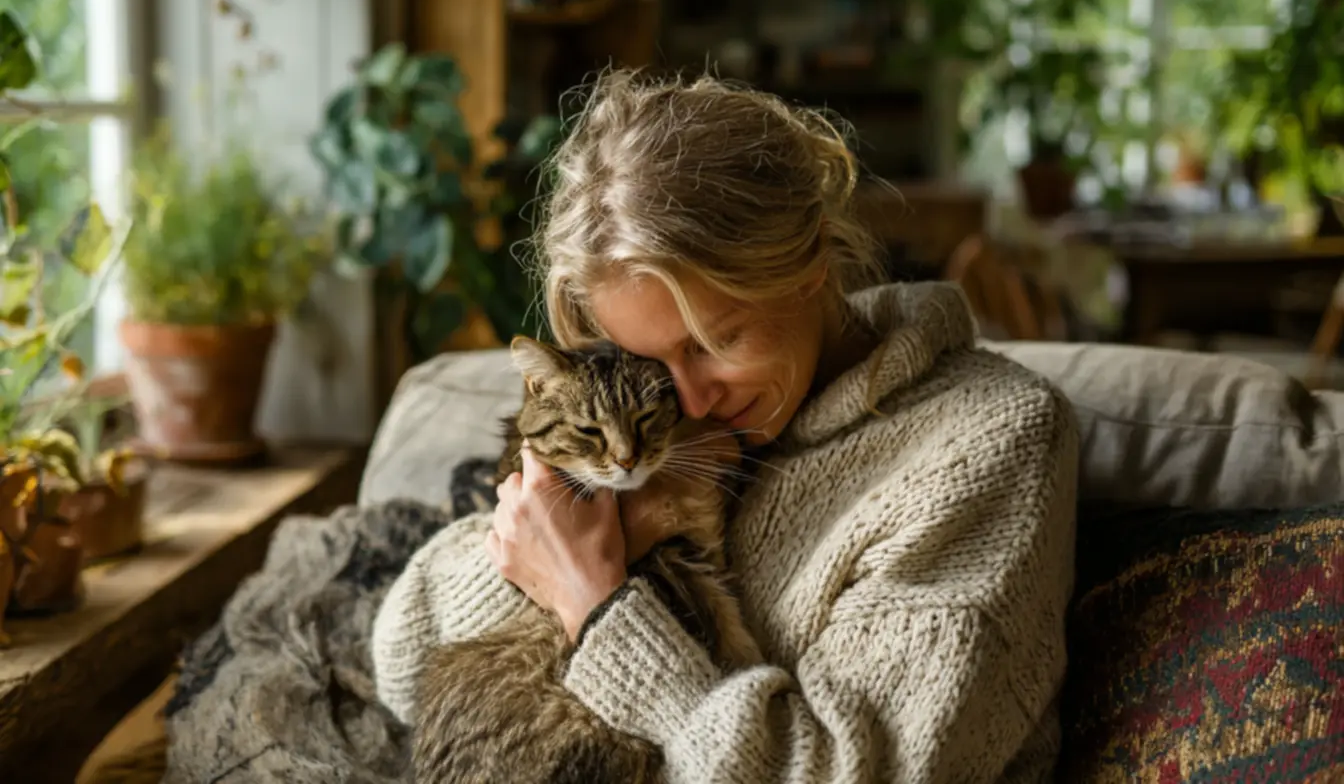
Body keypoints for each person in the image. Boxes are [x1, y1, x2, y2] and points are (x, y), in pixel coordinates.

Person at [371, 71, 1079, 782]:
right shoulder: (649, 434)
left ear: (808, 265)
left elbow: (846, 772)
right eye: (649, 362)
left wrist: (596, 606)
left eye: (713, 344)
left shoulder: (988, 439)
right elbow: (401, 662)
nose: (688, 403)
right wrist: (562, 549)